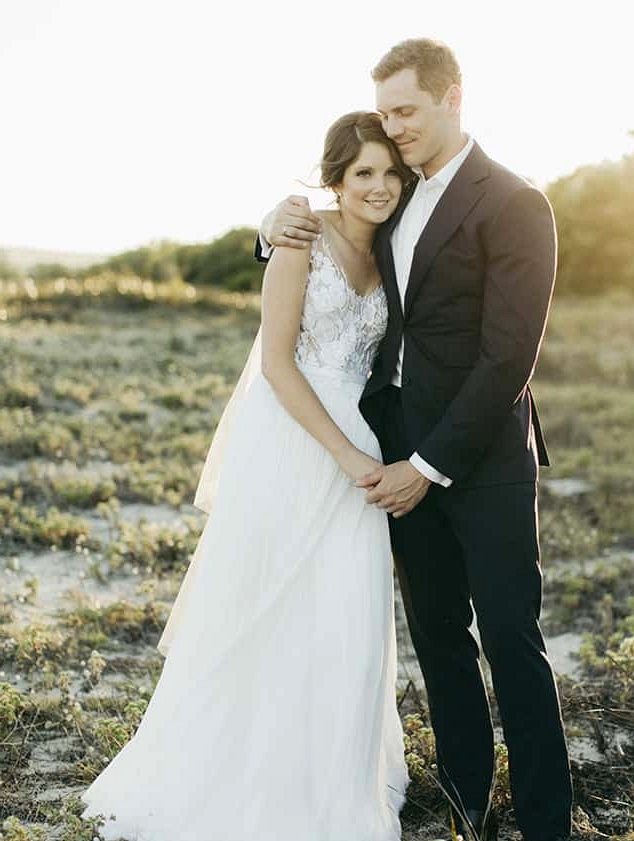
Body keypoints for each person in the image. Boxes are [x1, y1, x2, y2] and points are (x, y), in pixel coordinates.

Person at [258, 38, 573, 841]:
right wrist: (269, 228)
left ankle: (545, 820)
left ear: (452, 97)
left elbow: (510, 354)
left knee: (510, 638)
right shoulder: (396, 194)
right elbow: (339, 243)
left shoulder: (513, 202)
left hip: (480, 460)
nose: (391, 128)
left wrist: (427, 468)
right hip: (394, 446)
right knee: (438, 636)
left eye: (405, 111)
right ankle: (470, 800)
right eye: (385, 112)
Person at [78, 110, 414, 841]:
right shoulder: (299, 237)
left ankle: (333, 776)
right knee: (268, 607)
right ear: (335, 178)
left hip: (359, 433)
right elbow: (275, 365)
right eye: (363, 172)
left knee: (347, 614)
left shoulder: (396, 241)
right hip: (295, 442)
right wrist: (348, 455)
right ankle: (243, 782)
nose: (380, 186)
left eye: (390, 171)